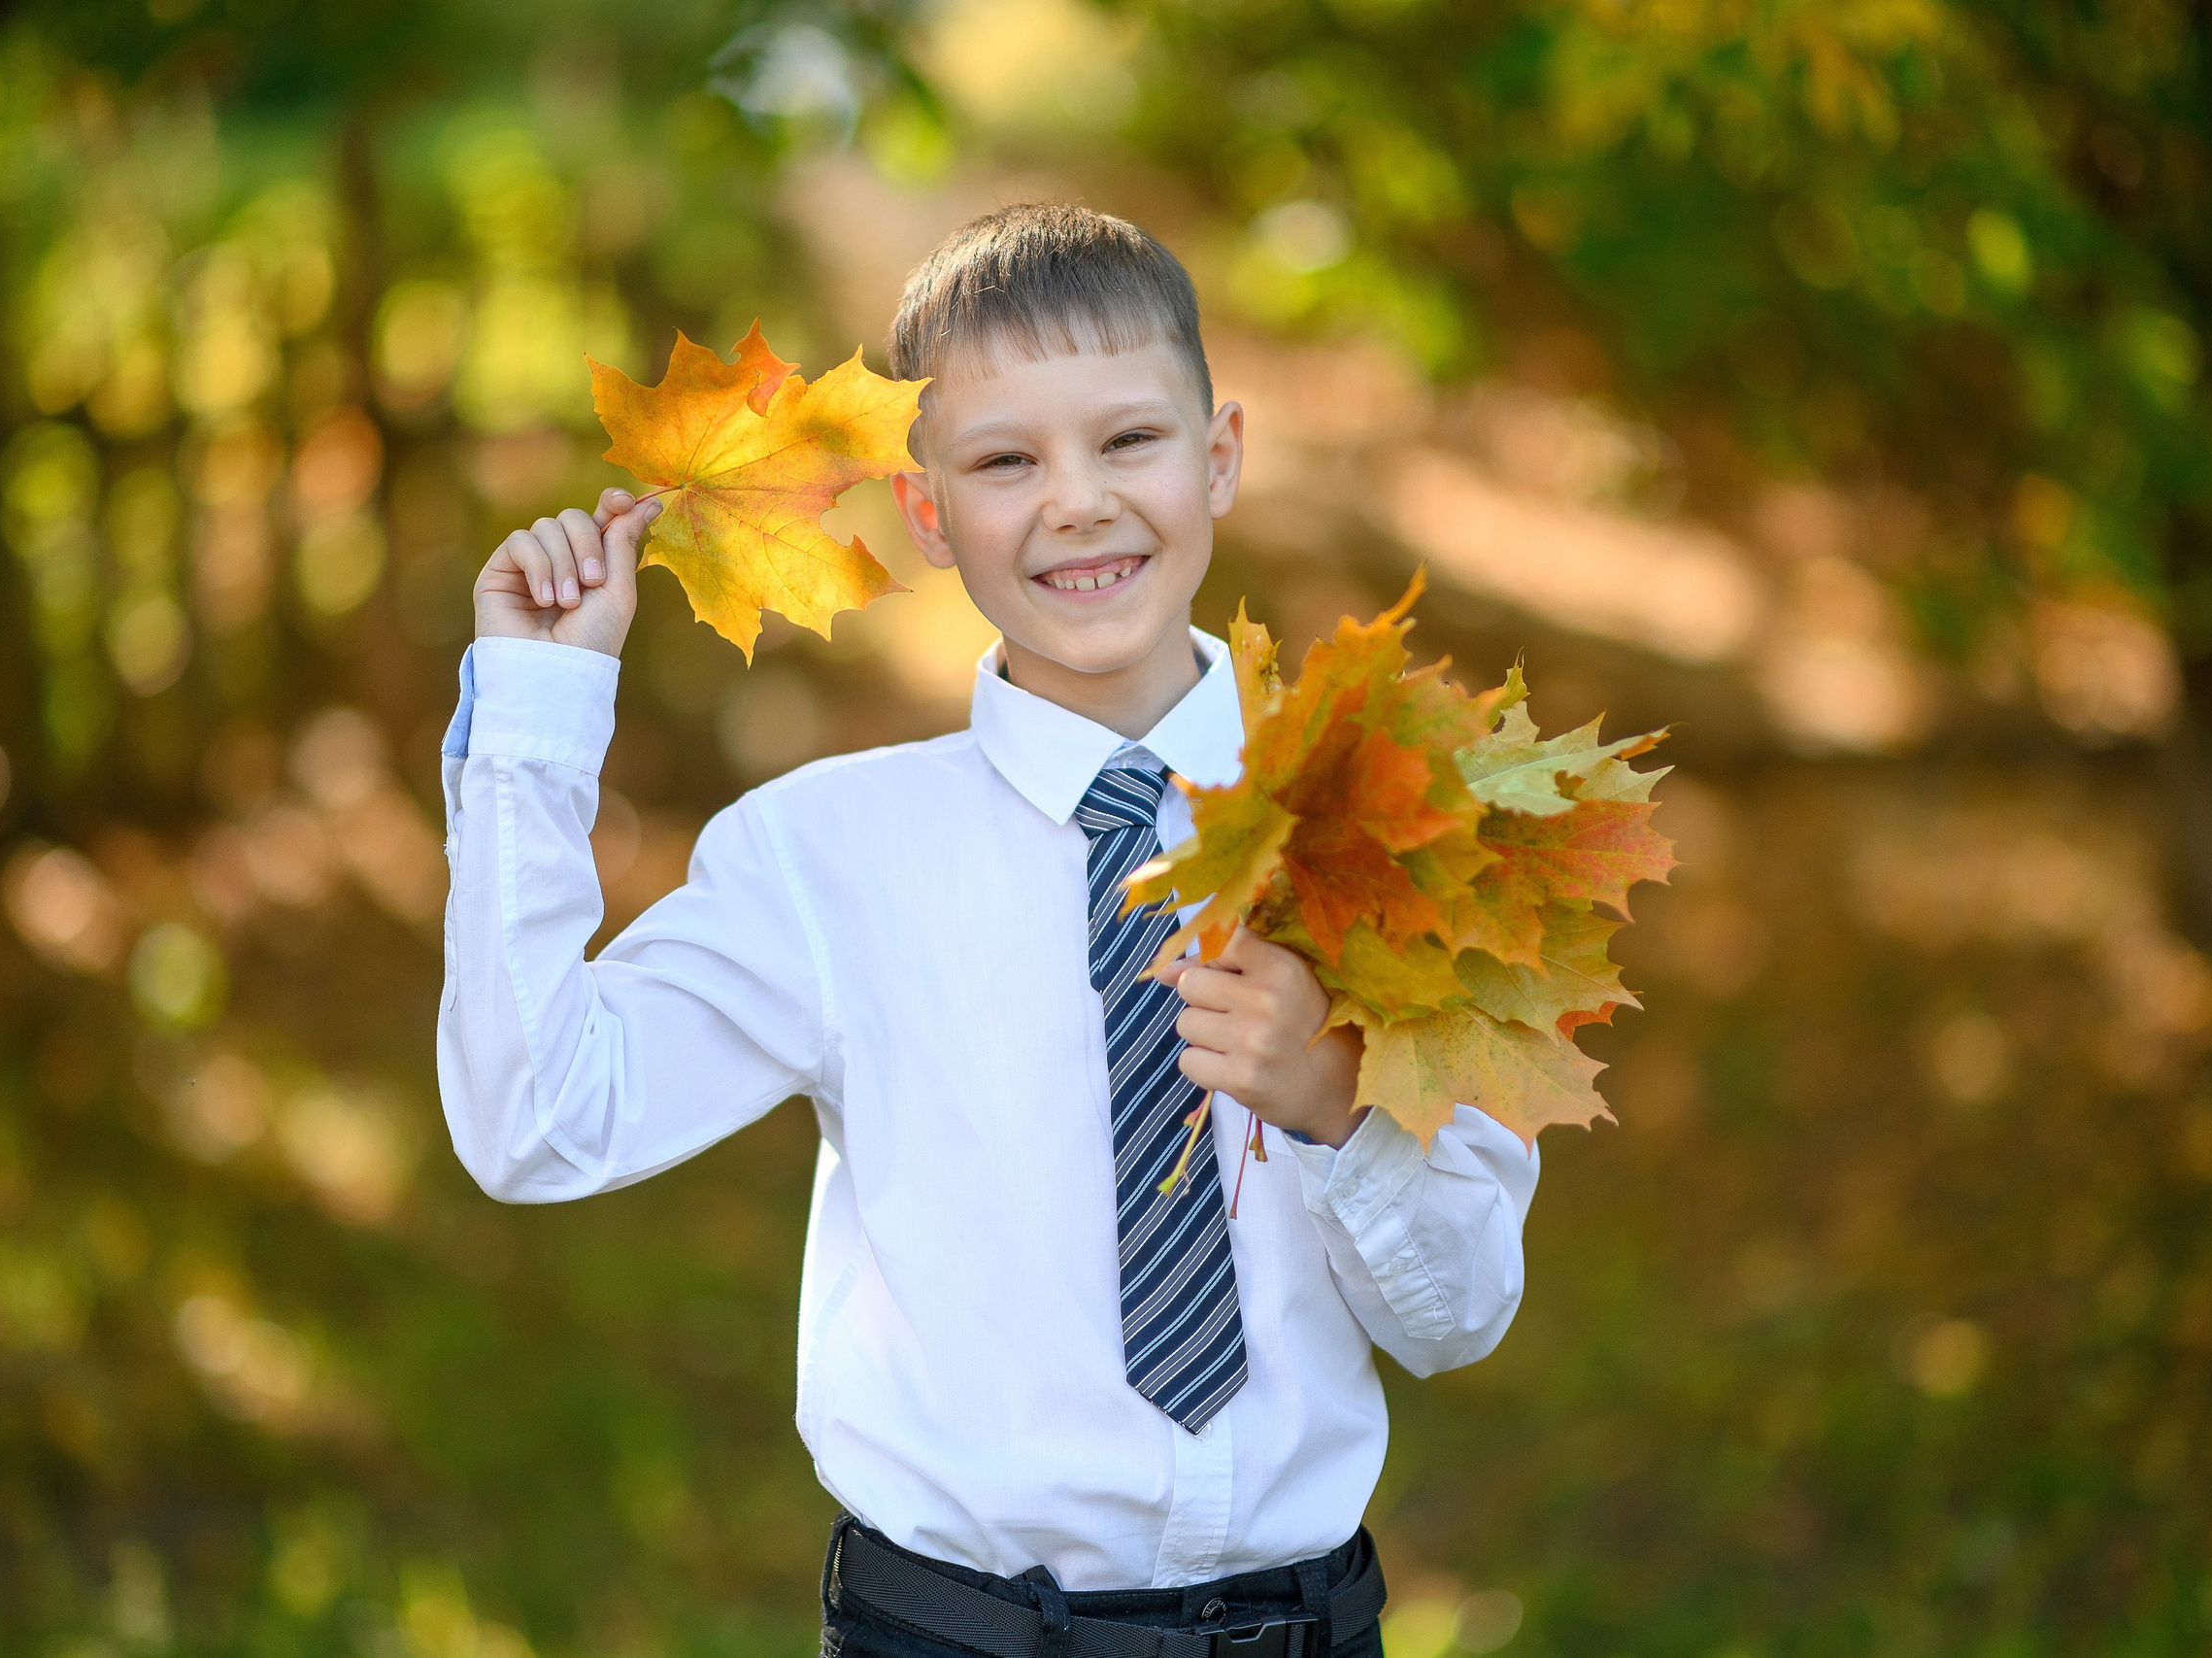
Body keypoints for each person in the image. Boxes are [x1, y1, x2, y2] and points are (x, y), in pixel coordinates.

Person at [437, 203, 1539, 1657]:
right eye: (1005, 460)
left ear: (1219, 457)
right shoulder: (828, 858)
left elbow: (1459, 1316)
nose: (1075, 503)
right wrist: (535, 720)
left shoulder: (1385, 826)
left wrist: (1340, 1104)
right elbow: (535, 1122)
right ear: (926, 508)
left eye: (1128, 442)